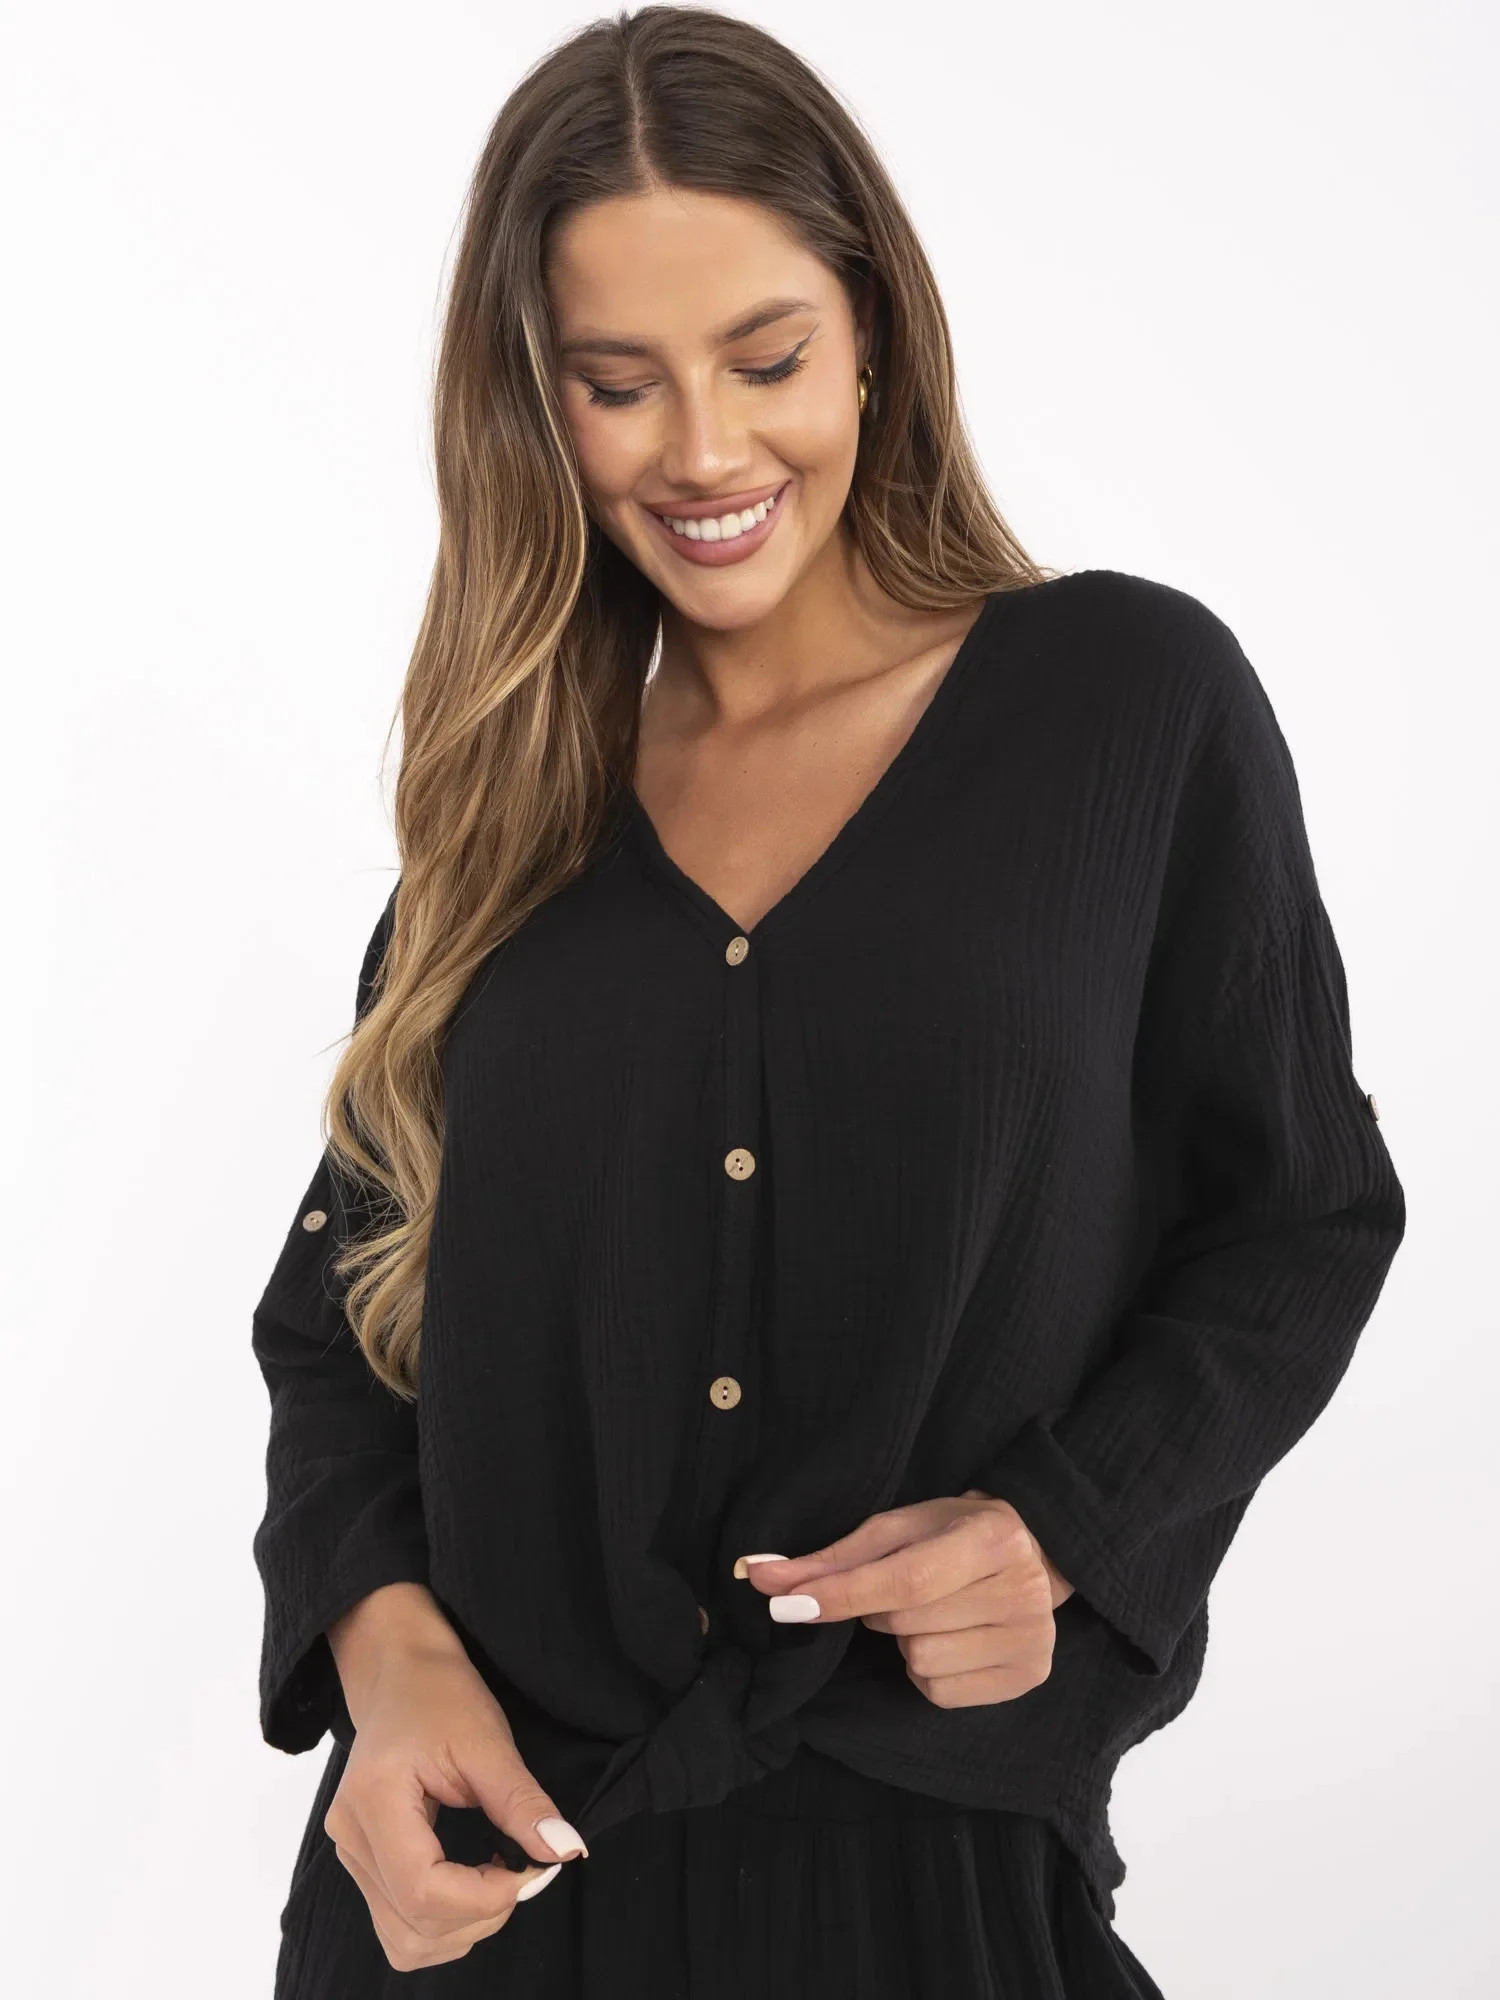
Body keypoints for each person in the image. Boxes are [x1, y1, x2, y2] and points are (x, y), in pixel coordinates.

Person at [249, 8, 1407, 1996]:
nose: (704, 451)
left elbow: (1297, 1214)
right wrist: (387, 1649)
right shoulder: (509, 821)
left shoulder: (1124, 712)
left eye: (766, 357)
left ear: (871, 328)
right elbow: (341, 1320)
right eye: (617, 385)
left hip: (929, 1887)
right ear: (539, 406)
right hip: (483, 1904)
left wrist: (1064, 1527)